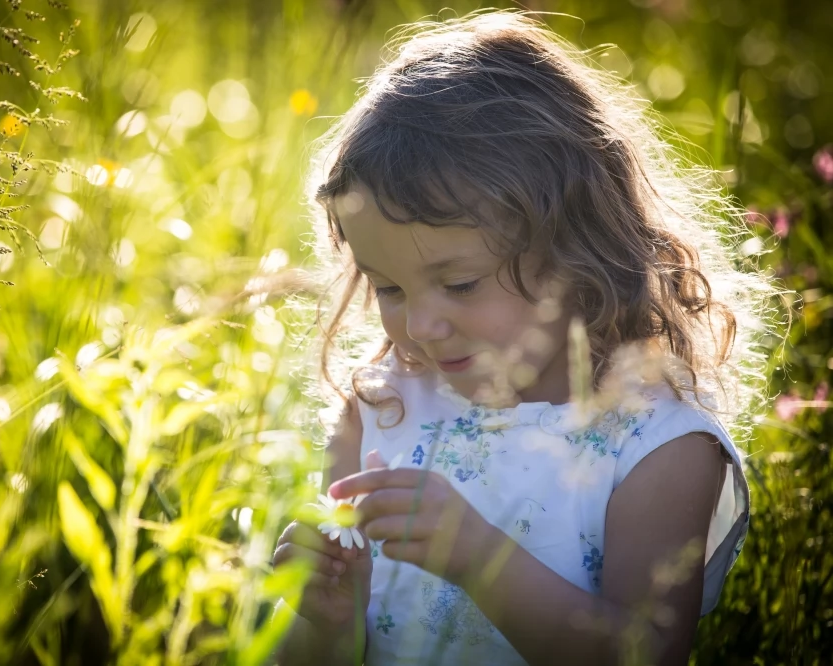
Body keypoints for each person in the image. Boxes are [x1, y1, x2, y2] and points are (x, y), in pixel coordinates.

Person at [272, 10, 780, 666]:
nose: (419, 327)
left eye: (459, 285)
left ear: (575, 251)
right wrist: (325, 622)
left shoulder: (656, 446)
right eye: (388, 288)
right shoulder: (381, 407)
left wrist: (478, 556)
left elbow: (645, 654)